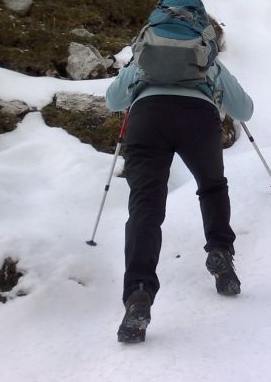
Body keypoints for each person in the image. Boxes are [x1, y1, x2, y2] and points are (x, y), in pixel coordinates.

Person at [105, 51, 254, 344]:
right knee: (212, 186)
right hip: (198, 117)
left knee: (145, 205)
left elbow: (113, 100)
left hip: (147, 115)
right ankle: (220, 251)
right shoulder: (206, 54)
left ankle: (138, 291)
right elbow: (244, 110)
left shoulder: (145, 54)